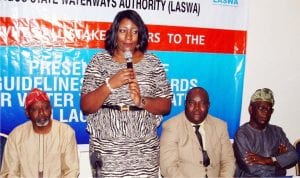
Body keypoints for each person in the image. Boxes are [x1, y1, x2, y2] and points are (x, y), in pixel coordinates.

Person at [80, 9, 173, 177]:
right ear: (115, 33)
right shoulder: (99, 61)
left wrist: (142, 101)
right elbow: (86, 106)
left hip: (144, 150)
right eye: (123, 31)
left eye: (134, 31)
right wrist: (109, 85)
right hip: (107, 149)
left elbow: (166, 105)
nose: (129, 37)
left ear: (141, 34)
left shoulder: (153, 62)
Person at [0, 88, 80, 178]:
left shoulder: (65, 133)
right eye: (35, 109)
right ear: (27, 112)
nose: (41, 113)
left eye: (46, 108)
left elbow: (71, 171)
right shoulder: (16, 136)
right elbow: (10, 173)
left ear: (50, 109)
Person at [160, 87, 235, 178]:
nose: (197, 108)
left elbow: (228, 161)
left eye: (202, 104)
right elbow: (168, 167)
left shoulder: (220, 126)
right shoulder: (171, 126)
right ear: (185, 104)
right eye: (192, 103)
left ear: (208, 105)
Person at [233, 88, 298, 177]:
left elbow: (294, 157)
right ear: (251, 109)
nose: (265, 112)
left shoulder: (277, 131)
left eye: (269, 109)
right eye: (261, 108)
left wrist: (269, 160)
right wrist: (281, 161)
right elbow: (253, 169)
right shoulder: (242, 134)